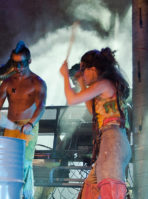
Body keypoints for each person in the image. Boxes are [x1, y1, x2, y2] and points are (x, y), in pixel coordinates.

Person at [60, 47, 131, 199]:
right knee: (90, 190)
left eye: (83, 69)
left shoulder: (104, 84)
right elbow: (94, 110)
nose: (82, 74)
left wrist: (65, 76)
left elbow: (72, 99)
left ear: (92, 69)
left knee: (110, 191)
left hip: (112, 144)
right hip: (113, 142)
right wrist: (81, 83)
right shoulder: (105, 87)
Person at [0, 41, 47, 199]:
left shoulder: (37, 83)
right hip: (10, 128)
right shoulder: (8, 82)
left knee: (24, 165)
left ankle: (26, 196)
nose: (18, 68)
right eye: (15, 63)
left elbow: (41, 106)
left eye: (22, 63)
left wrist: (31, 123)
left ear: (29, 61)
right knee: (8, 165)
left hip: (28, 127)